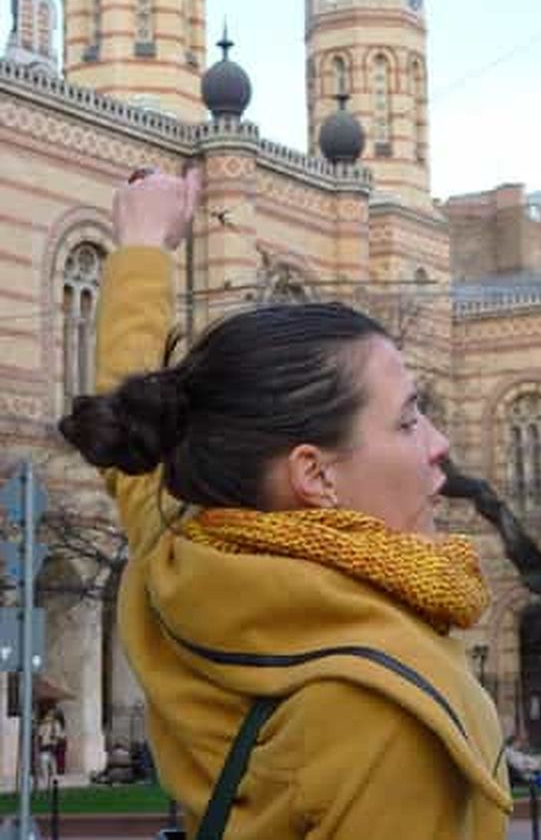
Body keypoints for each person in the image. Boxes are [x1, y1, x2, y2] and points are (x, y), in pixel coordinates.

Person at [58, 169, 511, 839]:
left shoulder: (184, 564)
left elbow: (138, 443)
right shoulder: (386, 714)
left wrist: (142, 248)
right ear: (315, 474)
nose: (439, 444)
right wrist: (144, 245)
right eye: (409, 419)